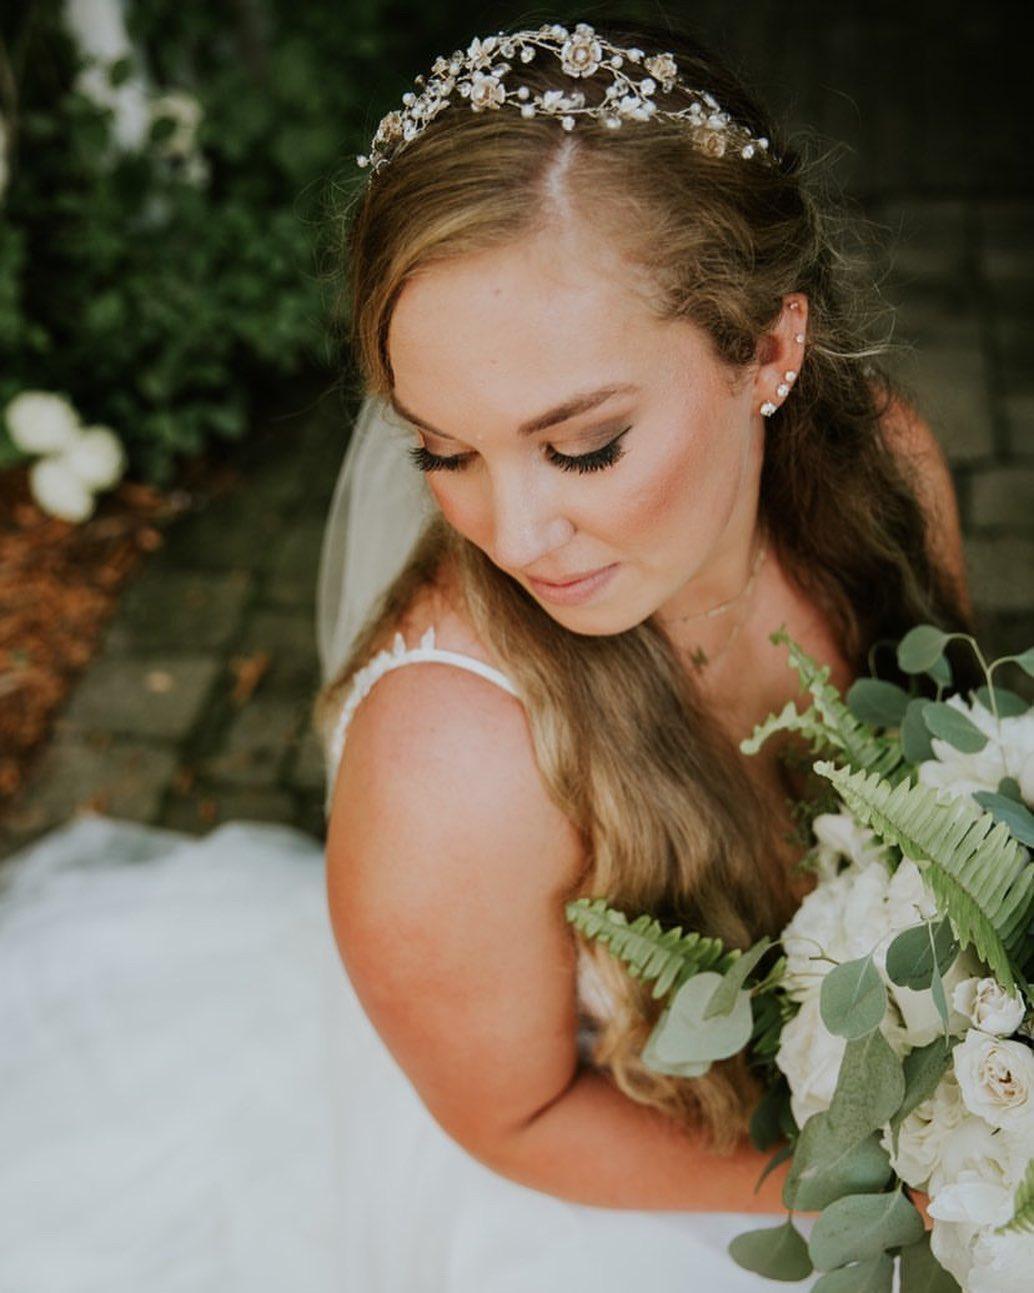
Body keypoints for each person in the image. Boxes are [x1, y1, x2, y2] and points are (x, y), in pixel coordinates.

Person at [0, 17, 972, 1293]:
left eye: (581, 447)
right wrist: (880, 1183)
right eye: (443, 451)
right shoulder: (448, 763)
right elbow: (514, 1118)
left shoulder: (886, 469)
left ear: (769, 351)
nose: (511, 536)